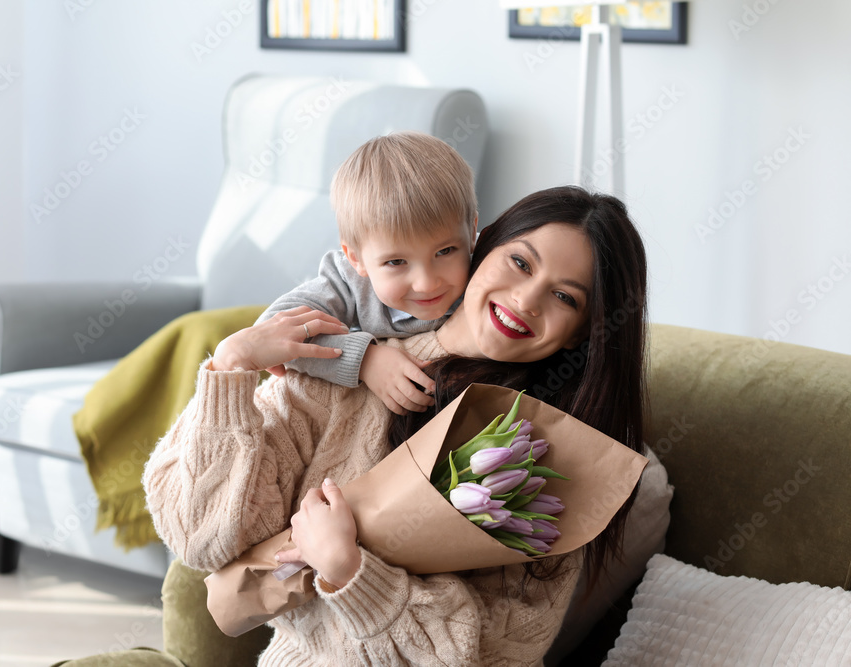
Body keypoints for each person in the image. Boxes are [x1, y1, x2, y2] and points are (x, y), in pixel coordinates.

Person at [140, 185, 649, 666]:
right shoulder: (338, 370)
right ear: (481, 244)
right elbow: (203, 538)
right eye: (520, 262)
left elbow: (503, 654)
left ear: (584, 333)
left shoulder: (555, 464)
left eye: (566, 298)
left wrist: (352, 572)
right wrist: (228, 374)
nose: (527, 299)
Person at [256, 131, 479, 415]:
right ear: (356, 259)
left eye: (445, 251)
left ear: (471, 233)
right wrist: (366, 360)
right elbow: (272, 332)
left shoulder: (492, 265)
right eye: (397, 262)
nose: (426, 283)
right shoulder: (348, 283)